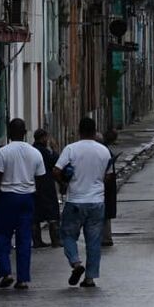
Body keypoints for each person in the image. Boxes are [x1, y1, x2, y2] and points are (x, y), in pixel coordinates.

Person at [53, 117, 113, 288]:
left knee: (68, 235)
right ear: (95, 131)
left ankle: (76, 263)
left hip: (76, 201)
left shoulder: (71, 149)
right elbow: (109, 176)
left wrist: (64, 184)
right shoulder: (104, 151)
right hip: (96, 202)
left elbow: (56, 170)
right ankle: (90, 278)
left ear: (79, 131)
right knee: (94, 242)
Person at [0, 118, 45, 289]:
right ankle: (22, 279)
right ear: (25, 133)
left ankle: (6, 272)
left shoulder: (3, 152)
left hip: (7, 198)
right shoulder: (35, 153)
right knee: (24, 239)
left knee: (2, 236)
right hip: (27, 198)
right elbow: (41, 180)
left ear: (8, 133)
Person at [31, 129, 61, 248]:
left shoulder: (32, 150)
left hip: (34, 185)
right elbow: (55, 162)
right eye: (46, 138)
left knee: (36, 214)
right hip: (46, 184)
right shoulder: (44, 151)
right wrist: (54, 150)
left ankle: (37, 241)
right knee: (52, 213)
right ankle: (55, 240)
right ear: (43, 138)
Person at [101, 129, 119, 247]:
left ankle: (105, 237)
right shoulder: (104, 151)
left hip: (104, 186)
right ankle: (105, 237)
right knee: (104, 213)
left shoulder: (104, 150)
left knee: (104, 213)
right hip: (104, 186)